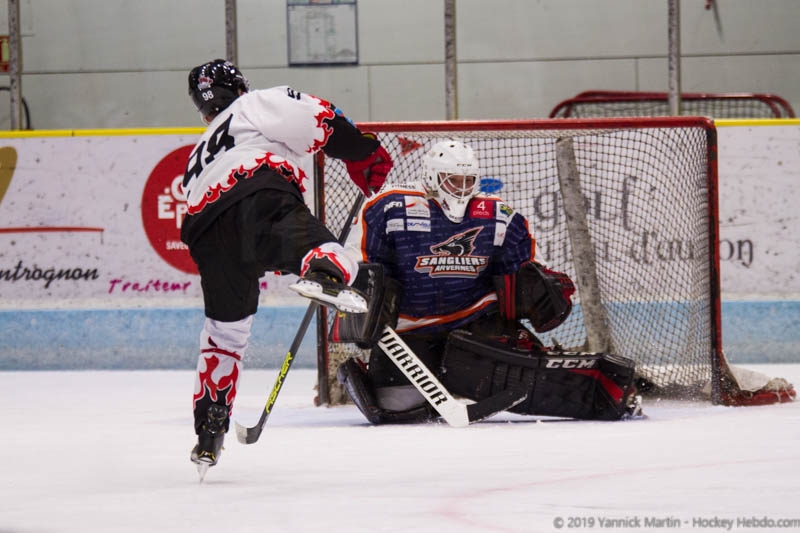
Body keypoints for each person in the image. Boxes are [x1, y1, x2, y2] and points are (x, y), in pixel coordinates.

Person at [334, 139, 640, 424]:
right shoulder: (391, 207)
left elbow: (525, 263)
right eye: (453, 180)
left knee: (524, 378)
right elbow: (361, 264)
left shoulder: (495, 213)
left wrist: (542, 284)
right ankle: (436, 378)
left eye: (468, 181)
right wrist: (356, 296)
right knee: (395, 409)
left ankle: (606, 391)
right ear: (432, 176)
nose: (462, 188)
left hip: (475, 323)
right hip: (410, 331)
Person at [181, 59, 393, 471]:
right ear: (240, 86)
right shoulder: (255, 103)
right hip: (258, 193)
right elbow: (321, 117)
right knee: (340, 260)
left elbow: (222, 213)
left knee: (225, 332)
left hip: (205, 231)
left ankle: (210, 428)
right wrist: (363, 151)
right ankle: (323, 270)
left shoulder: (199, 150)